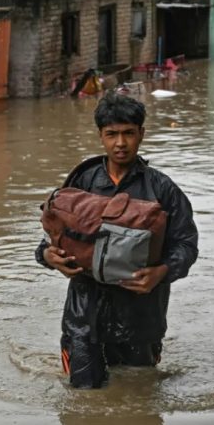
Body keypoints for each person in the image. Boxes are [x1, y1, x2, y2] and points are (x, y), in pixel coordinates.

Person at [35, 92, 198, 388]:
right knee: (83, 398)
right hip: (84, 314)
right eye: (112, 134)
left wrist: (161, 272)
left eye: (128, 134)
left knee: (140, 395)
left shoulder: (163, 189)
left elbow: (186, 246)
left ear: (141, 135)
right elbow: (51, 239)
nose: (120, 143)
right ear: (100, 136)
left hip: (141, 316)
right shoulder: (80, 183)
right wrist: (47, 256)